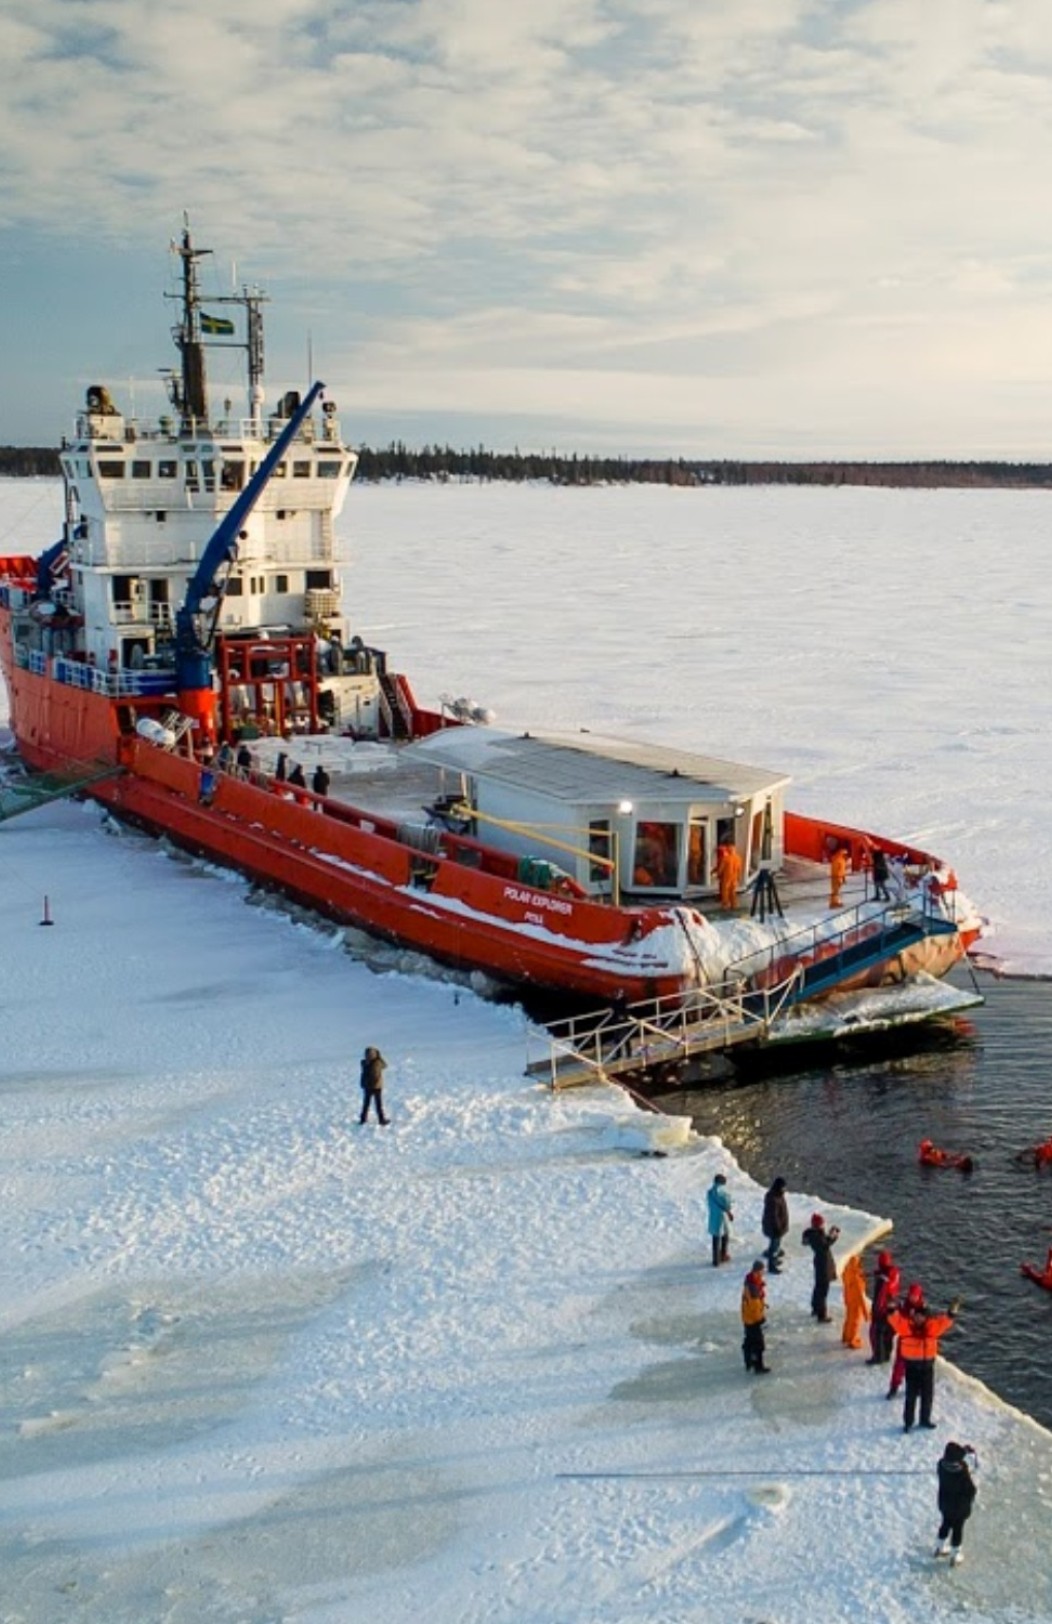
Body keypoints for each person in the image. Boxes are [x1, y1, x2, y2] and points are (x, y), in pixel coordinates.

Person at [887, 1293, 959, 1432]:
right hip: (912, 1368)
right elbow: (894, 1319)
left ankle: (924, 1420)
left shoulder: (932, 1328)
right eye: (917, 1315)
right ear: (913, 1316)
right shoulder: (906, 1327)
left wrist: (952, 1311)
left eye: (922, 1316)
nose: (919, 1318)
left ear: (926, 1317)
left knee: (927, 1396)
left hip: (927, 1368)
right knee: (911, 1397)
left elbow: (945, 1321)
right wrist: (891, 1306)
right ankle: (908, 1422)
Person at [935, 1441, 978, 1565]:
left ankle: (939, 1547)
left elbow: (954, 1456)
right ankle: (955, 1555)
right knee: (957, 1529)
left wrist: (964, 1451)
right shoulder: (961, 1472)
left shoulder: (941, 1465)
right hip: (959, 1507)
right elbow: (971, 1490)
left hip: (944, 1503)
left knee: (945, 1523)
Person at [801, 1212, 840, 1323]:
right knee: (822, 1291)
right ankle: (821, 1315)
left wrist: (831, 1235)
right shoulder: (817, 1237)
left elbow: (825, 1241)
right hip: (823, 1266)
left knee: (818, 1287)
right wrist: (834, 1235)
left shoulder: (813, 1235)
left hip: (820, 1265)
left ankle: (815, 1308)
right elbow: (825, 1244)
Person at [867, 1249, 901, 1366]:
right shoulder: (894, 1273)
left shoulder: (883, 1281)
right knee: (888, 1334)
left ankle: (878, 1357)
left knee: (877, 1333)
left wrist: (875, 1311)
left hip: (882, 1310)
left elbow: (880, 1297)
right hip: (891, 1309)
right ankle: (886, 1355)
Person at [741, 1258, 771, 1374]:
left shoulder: (752, 1282)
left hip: (748, 1318)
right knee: (758, 1344)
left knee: (749, 1341)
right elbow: (754, 1306)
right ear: (756, 1271)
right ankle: (758, 1366)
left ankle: (749, 1361)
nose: (762, 1274)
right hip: (753, 1320)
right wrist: (761, 1319)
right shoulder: (753, 1287)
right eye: (761, 1271)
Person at [840, 1253, 870, 1350]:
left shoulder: (847, 1272)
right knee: (855, 1321)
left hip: (848, 1300)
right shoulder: (857, 1278)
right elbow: (860, 1297)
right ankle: (852, 1340)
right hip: (855, 1302)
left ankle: (845, 1336)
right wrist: (866, 1313)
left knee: (849, 1319)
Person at [761, 1176, 789, 1273]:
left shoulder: (778, 1195)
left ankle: (773, 1255)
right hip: (774, 1228)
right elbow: (773, 1216)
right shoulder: (773, 1199)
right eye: (783, 1187)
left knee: (776, 1243)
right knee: (774, 1244)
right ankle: (771, 1265)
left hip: (778, 1226)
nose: (785, 1189)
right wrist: (778, 1228)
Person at [706, 1173, 734, 1267]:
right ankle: (723, 1255)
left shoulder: (710, 1192)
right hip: (722, 1216)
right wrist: (729, 1210)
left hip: (713, 1216)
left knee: (715, 1237)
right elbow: (726, 1203)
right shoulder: (721, 1191)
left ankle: (715, 1259)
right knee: (725, 1235)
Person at [359, 1045, 389, 1125]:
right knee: (378, 1105)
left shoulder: (364, 1063)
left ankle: (363, 1119)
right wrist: (380, 1057)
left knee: (366, 1104)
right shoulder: (377, 1062)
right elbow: (385, 1065)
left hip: (367, 1086)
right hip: (376, 1087)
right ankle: (381, 1120)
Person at [713, 841, 742, 911]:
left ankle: (725, 905)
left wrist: (717, 874)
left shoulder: (725, 858)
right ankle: (734, 905)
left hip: (726, 878)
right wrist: (739, 877)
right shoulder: (738, 858)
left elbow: (721, 869)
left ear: (728, 849)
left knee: (725, 892)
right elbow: (739, 869)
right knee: (732, 892)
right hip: (734, 878)